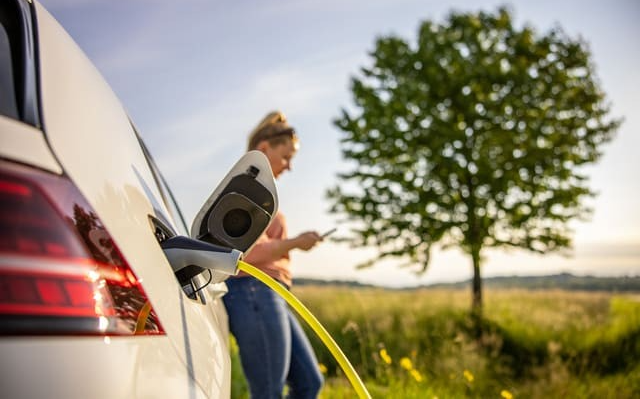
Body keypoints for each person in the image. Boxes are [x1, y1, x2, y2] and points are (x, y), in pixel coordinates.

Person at [223, 111, 324, 399]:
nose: (289, 166)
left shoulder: (260, 191)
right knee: (268, 393)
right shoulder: (245, 189)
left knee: (309, 383)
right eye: (286, 157)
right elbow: (246, 250)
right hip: (253, 291)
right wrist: (295, 242)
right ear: (265, 149)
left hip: (271, 295)